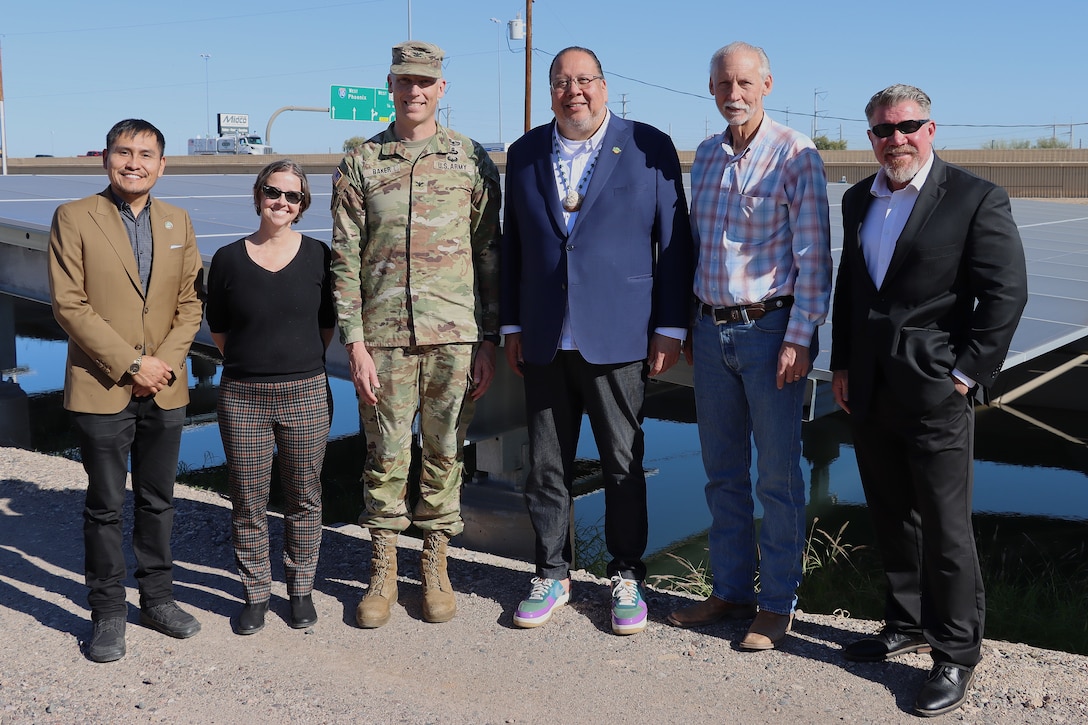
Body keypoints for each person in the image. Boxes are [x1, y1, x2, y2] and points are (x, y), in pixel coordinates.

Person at [830, 84, 1027, 717]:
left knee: (946, 528)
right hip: (868, 387)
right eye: (884, 131)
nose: (897, 140)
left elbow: (1006, 295)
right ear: (871, 139)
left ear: (930, 128)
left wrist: (968, 375)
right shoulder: (859, 198)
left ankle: (956, 652)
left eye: (908, 127)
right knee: (890, 512)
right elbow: (851, 287)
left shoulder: (974, 198)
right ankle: (907, 622)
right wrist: (840, 362)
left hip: (936, 390)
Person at [501, 46, 693, 635]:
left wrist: (670, 324)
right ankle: (551, 573)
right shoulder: (526, 152)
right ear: (551, 90)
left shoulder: (647, 145)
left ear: (605, 88)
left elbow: (675, 241)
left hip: (621, 333)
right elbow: (514, 247)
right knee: (546, 465)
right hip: (545, 334)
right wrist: (511, 324)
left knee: (622, 462)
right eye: (562, 82)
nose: (573, 91)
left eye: (584, 80)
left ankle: (626, 574)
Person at [666, 42, 832, 651]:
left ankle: (776, 604)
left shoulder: (795, 154)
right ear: (711, 89)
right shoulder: (706, 157)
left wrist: (801, 336)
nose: (733, 94)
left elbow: (813, 256)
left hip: (770, 334)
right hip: (710, 331)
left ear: (766, 83)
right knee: (722, 473)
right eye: (722, 84)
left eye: (744, 83)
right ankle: (731, 591)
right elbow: (695, 247)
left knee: (779, 477)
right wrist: (686, 324)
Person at [330, 40, 501, 628]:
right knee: (384, 454)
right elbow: (344, 257)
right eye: (405, 82)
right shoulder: (360, 161)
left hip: (455, 334)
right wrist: (354, 341)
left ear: (442, 89)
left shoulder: (470, 160)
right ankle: (381, 566)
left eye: (426, 82)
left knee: (446, 448)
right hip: (383, 338)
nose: (415, 91)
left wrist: (489, 339)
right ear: (391, 86)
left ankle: (434, 563)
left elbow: (488, 255)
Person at [47, 119, 204, 663]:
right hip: (102, 386)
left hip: (165, 387)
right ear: (106, 158)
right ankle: (107, 611)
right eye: (123, 152)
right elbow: (69, 305)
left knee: (158, 501)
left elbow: (190, 304)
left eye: (145, 154)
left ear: (163, 165)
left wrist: (162, 366)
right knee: (105, 505)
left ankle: (157, 599)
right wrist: (131, 363)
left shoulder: (178, 220)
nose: (133, 162)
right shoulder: (73, 217)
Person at [205, 160, 335, 635]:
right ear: (258, 194)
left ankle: (300, 590)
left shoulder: (321, 256)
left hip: (304, 392)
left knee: (304, 496)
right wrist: (254, 363)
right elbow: (219, 328)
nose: (282, 202)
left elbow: (326, 326)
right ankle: (256, 592)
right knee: (248, 500)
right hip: (242, 396)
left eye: (292, 196)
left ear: (302, 206)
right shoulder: (227, 259)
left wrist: (293, 363)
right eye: (273, 192)